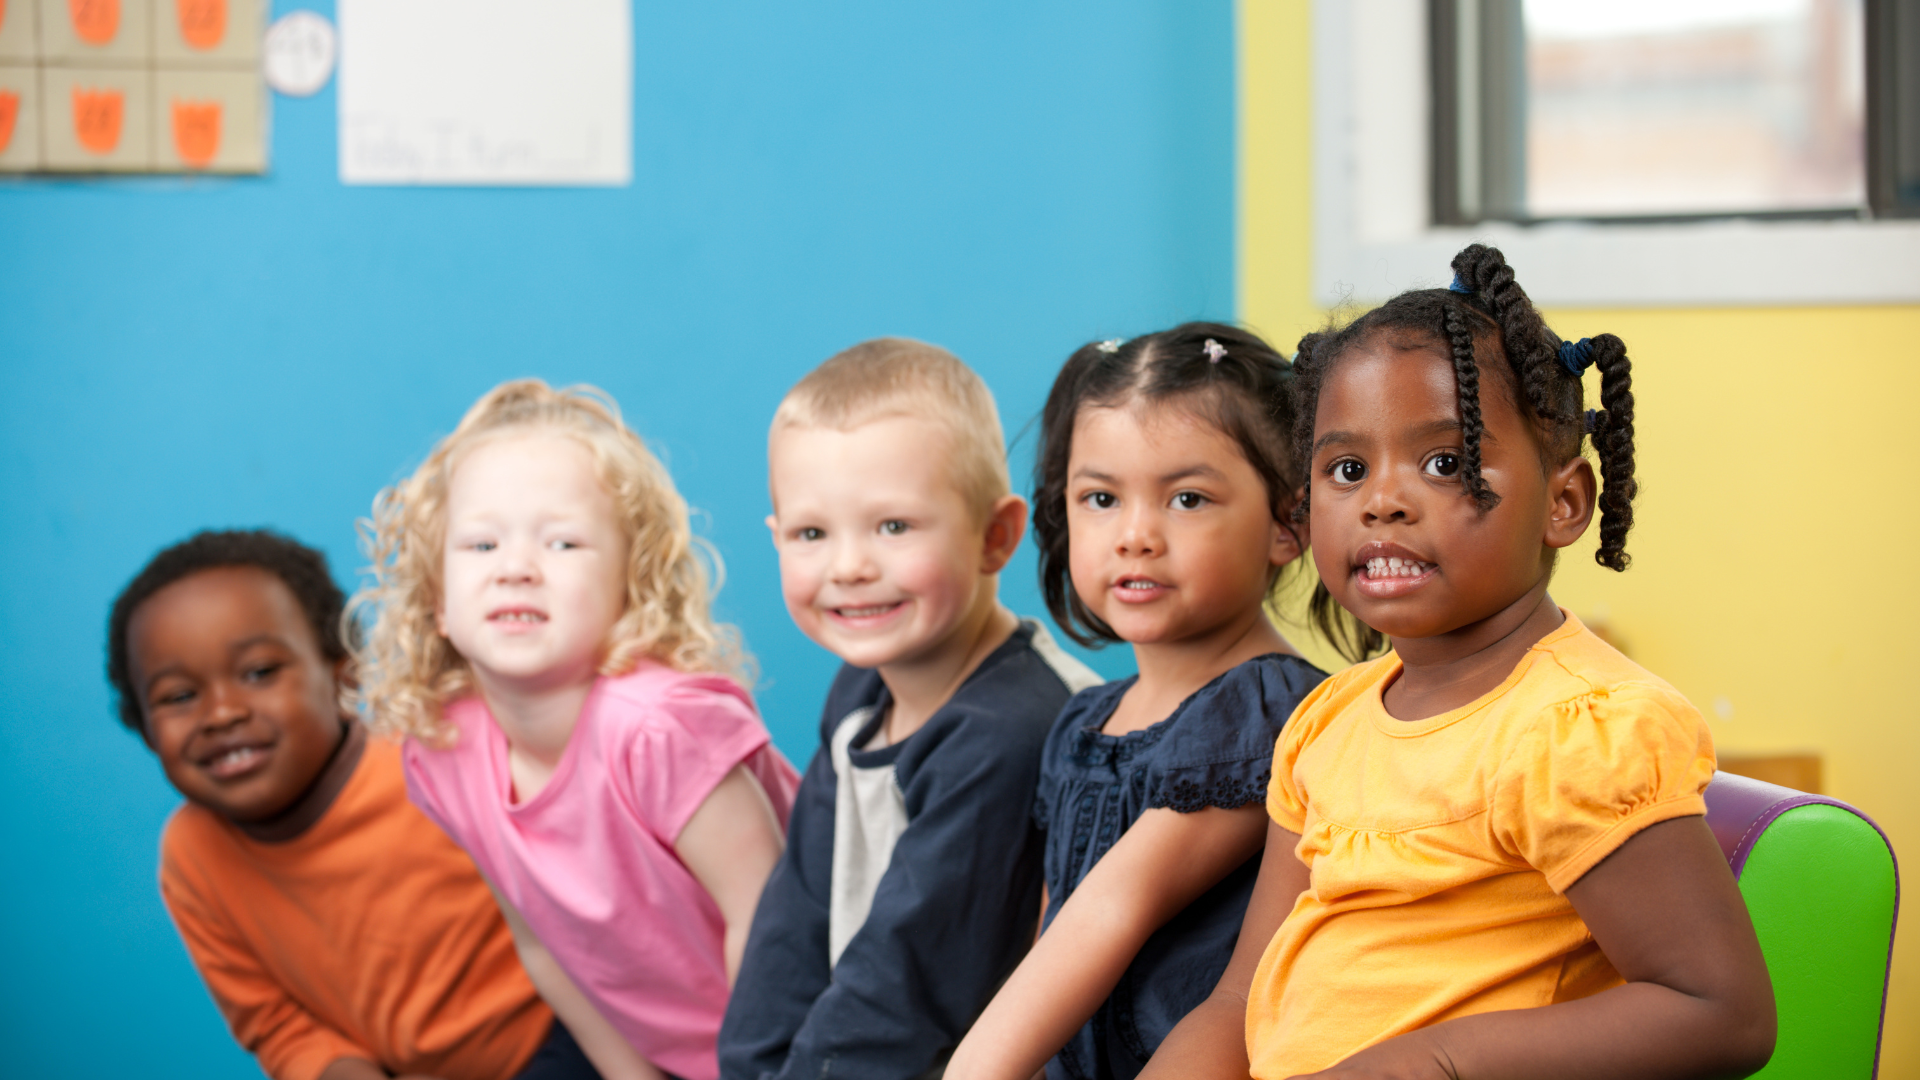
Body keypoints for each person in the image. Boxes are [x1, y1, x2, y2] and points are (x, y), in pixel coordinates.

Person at [1144, 245, 1776, 1079]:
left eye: (1444, 462)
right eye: (1346, 468)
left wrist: (1440, 1060)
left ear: (1563, 502)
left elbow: (1719, 1013)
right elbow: (1238, 999)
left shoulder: (1577, 731)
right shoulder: (1328, 724)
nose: (1382, 499)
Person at [354, 380, 801, 1080]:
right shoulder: (443, 748)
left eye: (563, 542)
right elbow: (540, 943)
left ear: (633, 586)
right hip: (674, 1056)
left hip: (814, 1035)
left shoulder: (658, 730)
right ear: (437, 600)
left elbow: (774, 925)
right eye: (480, 544)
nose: (516, 568)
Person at [946, 324, 1337, 1080]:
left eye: (1187, 498)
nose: (1134, 536)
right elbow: (1053, 937)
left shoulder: (1270, 708)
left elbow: (1114, 907)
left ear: (1290, 522)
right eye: (1100, 497)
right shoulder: (1084, 719)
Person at [719, 338, 1104, 1080]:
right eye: (810, 533)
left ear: (996, 536)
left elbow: (909, 978)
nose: (850, 566)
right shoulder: (863, 692)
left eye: (893, 526)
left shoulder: (1013, 727)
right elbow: (796, 921)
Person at [111, 529, 593, 1080]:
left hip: (574, 1035)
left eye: (260, 673)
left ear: (345, 672)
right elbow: (278, 1025)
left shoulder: (436, 761)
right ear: (144, 729)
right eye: (178, 697)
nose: (222, 713)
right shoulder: (191, 856)